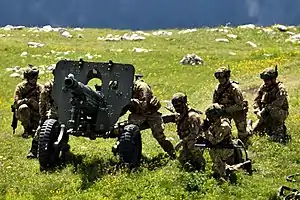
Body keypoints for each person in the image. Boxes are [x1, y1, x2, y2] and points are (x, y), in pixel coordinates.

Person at [121, 74, 176, 159]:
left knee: (159, 135)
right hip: (138, 114)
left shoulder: (142, 87)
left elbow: (144, 104)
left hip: (150, 113)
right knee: (128, 131)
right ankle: (130, 153)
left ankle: (172, 153)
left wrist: (130, 102)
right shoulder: (125, 88)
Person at [212, 66, 251, 147]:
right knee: (222, 129)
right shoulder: (218, 89)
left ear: (227, 77)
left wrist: (226, 109)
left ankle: (249, 128)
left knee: (243, 134)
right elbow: (214, 103)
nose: (220, 80)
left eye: (222, 77)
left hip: (237, 111)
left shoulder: (234, 88)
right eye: (218, 78)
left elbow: (240, 105)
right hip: (224, 112)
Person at [252, 66, 289, 143]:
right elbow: (256, 101)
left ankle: (279, 129)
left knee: (273, 111)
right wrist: (257, 111)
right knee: (254, 131)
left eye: (267, 80)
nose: (265, 82)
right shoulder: (264, 87)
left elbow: (278, 103)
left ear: (273, 79)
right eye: (264, 80)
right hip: (266, 113)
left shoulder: (280, 88)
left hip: (279, 112)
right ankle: (268, 126)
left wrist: (265, 109)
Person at [171, 92, 206, 171]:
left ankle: (201, 165)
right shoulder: (179, 114)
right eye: (175, 106)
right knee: (182, 159)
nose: (177, 108)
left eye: (178, 106)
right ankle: (191, 164)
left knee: (192, 145)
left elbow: (194, 134)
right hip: (186, 141)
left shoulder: (192, 116)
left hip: (196, 141)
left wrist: (181, 142)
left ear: (184, 103)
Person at [202, 103, 235, 182]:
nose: (208, 118)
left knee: (214, 152)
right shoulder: (214, 124)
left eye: (210, 116)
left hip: (226, 148)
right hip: (219, 146)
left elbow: (214, 141)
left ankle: (223, 177)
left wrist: (206, 131)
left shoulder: (224, 126)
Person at [27, 79, 58, 158]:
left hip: (65, 113)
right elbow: (42, 103)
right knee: (40, 129)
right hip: (51, 114)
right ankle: (34, 150)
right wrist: (42, 117)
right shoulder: (48, 87)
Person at [13, 67, 42, 138]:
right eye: (32, 78)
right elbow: (17, 102)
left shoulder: (40, 87)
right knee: (24, 108)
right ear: (27, 78)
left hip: (37, 112)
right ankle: (27, 129)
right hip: (24, 112)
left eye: (35, 78)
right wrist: (28, 101)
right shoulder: (20, 87)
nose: (34, 80)